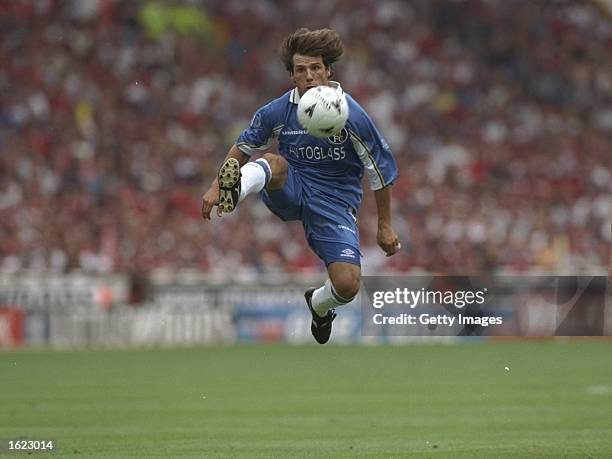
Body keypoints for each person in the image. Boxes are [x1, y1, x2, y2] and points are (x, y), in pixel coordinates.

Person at [202, 28, 400, 344]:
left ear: (328, 70)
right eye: (301, 70)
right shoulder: (278, 111)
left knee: (348, 285)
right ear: (292, 75)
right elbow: (243, 146)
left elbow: (380, 170)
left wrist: (385, 225)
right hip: (292, 185)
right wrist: (216, 184)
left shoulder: (352, 115)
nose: (308, 76)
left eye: (315, 68)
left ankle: (319, 305)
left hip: (335, 202)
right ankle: (234, 192)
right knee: (274, 162)